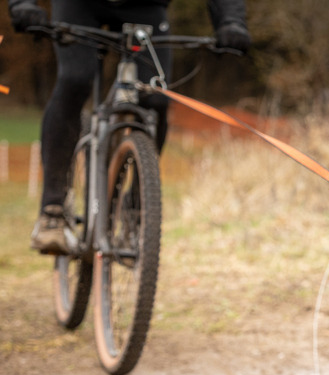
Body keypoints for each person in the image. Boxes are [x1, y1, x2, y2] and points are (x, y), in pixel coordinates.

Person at [7, 0, 251, 255]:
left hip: (144, 7)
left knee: (155, 98)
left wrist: (230, 21)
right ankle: (52, 212)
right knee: (75, 79)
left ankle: (135, 209)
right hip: (78, 5)